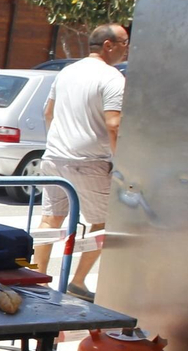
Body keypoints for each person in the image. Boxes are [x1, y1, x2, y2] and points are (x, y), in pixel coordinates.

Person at [31, 23, 128, 300]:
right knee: (103, 224)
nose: (127, 48)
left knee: (51, 220)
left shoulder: (66, 72)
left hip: (55, 157)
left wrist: (58, 142)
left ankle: (38, 281)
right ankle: (78, 282)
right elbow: (114, 124)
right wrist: (121, 161)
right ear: (108, 45)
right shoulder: (112, 78)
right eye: (124, 42)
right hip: (91, 160)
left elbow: (48, 112)